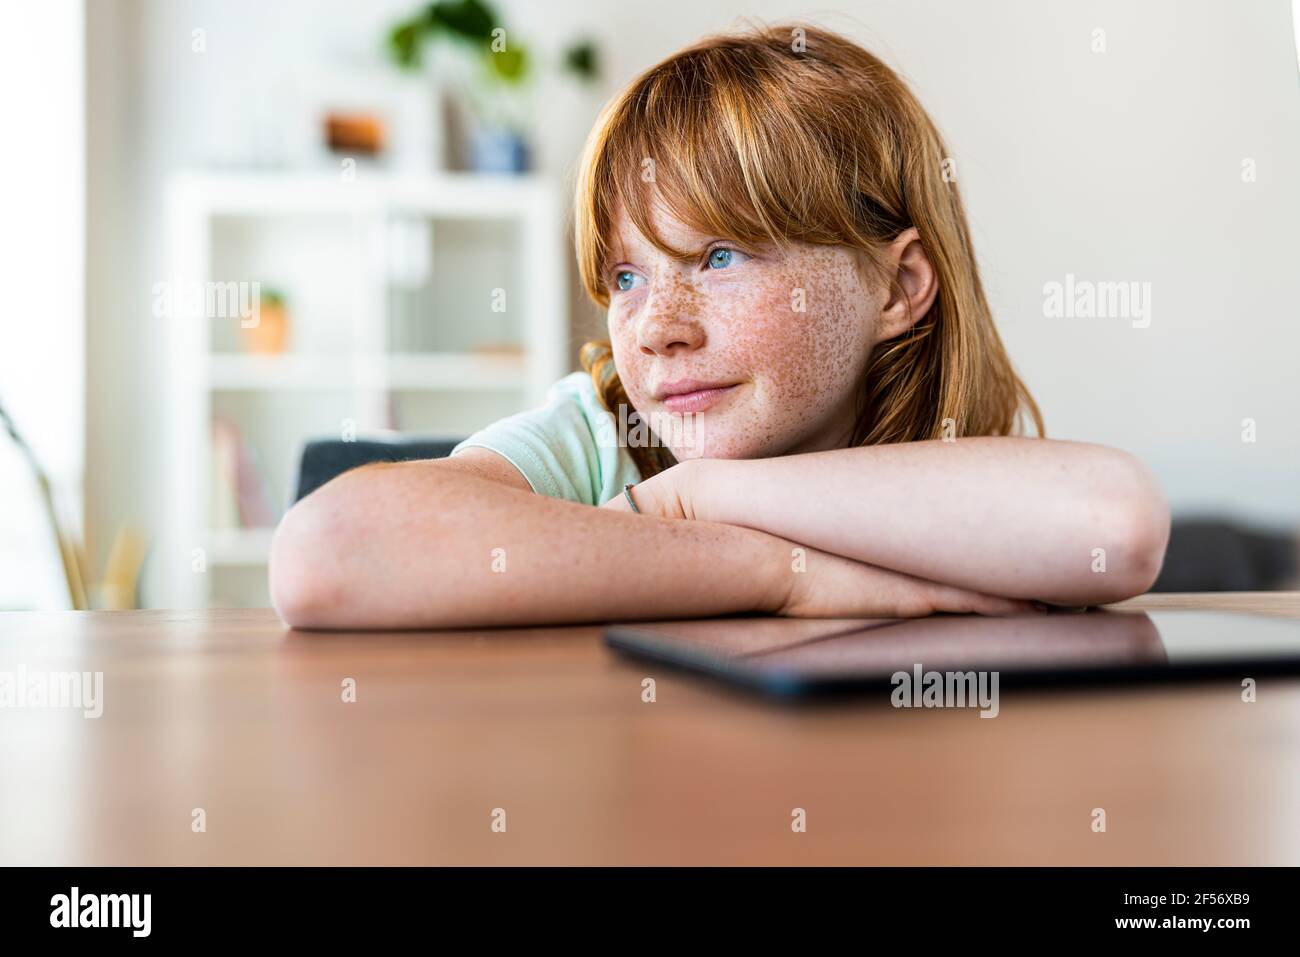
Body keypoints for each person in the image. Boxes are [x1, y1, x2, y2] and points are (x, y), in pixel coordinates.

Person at [269, 24, 1169, 629]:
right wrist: (786, 573)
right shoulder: (598, 432)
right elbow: (328, 551)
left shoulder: (929, 451)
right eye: (626, 275)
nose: (657, 327)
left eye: (721, 257)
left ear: (898, 288)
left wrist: (696, 499)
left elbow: (1115, 526)